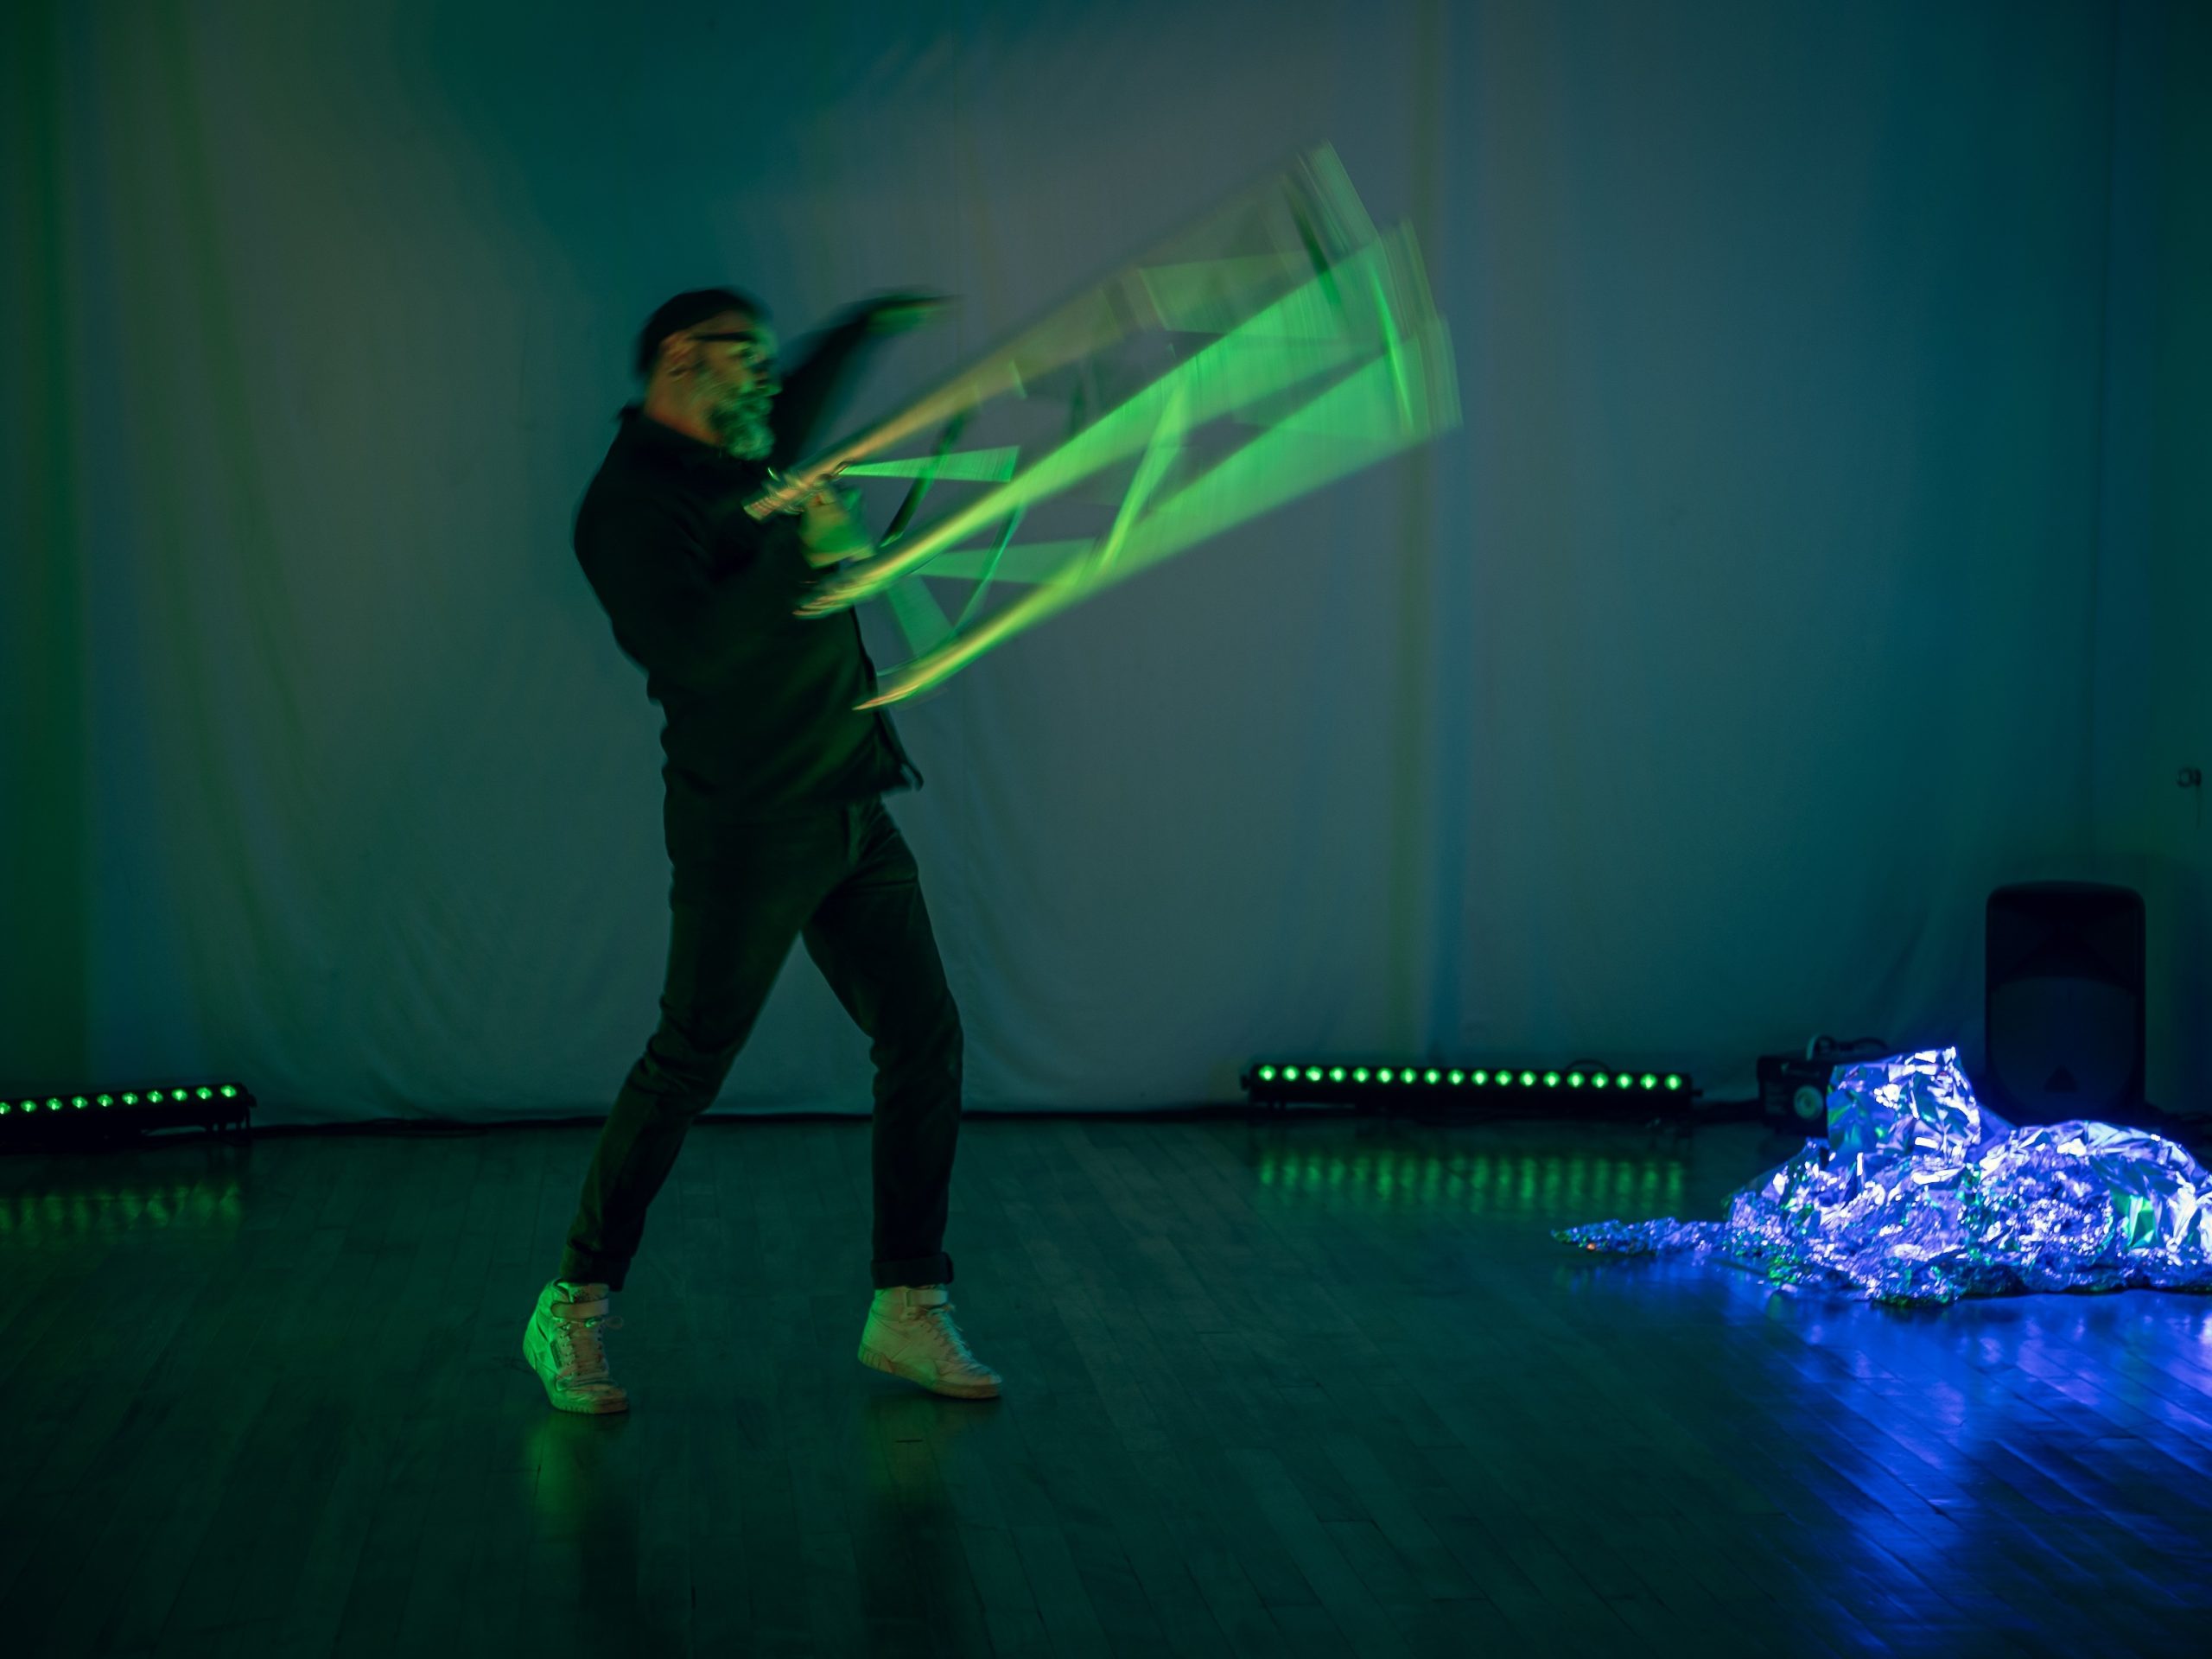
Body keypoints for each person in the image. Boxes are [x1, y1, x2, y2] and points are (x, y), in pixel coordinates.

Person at [522, 286, 1001, 1413]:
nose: (771, 385)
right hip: (748, 825)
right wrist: (804, 549)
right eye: (752, 360)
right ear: (684, 357)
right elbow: (699, 656)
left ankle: (907, 1304)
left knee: (923, 1039)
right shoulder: (626, 510)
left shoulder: (746, 447)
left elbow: (800, 399)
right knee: (689, 1063)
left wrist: (866, 326)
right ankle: (571, 1306)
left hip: (850, 803)